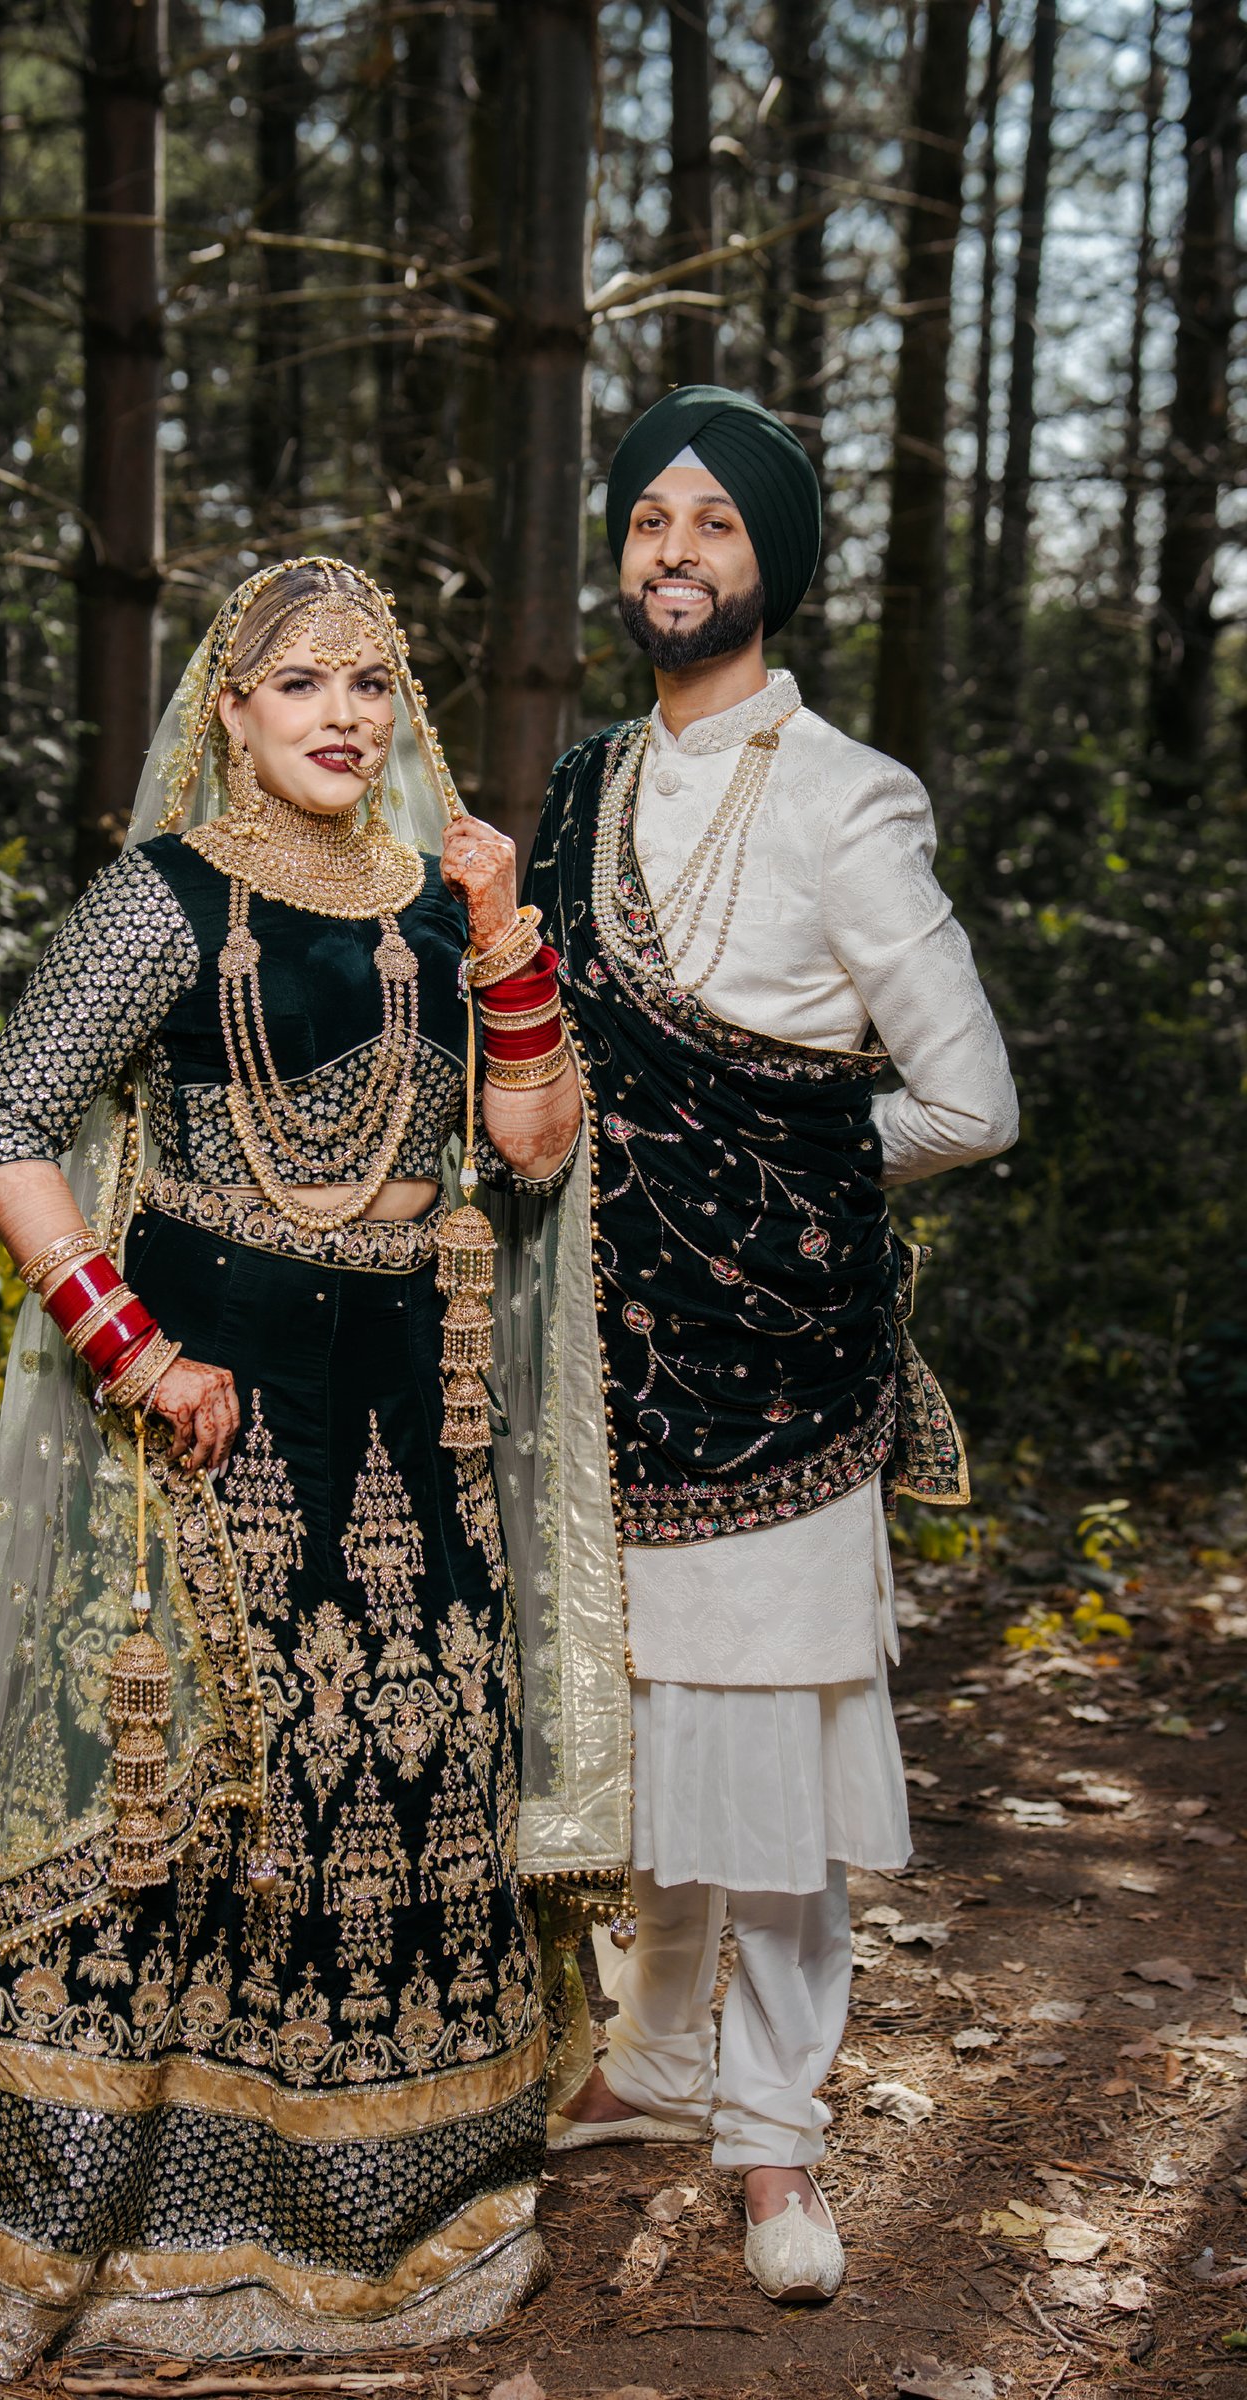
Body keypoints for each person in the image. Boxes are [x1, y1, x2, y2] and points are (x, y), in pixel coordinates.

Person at [0, 560, 582, 2374]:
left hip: (416, 1425)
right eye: (297, 685)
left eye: (368, 682)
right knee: (201, 1799)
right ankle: (134, 2205)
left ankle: (376, 2207)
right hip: (218, 1416)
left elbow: (532, 1144)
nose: (340, 713)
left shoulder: (445, 902)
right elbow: (9, 1121)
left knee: (404, 1772)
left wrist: (508, 938)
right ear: (231, 713)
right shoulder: (161, 901)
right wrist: (132, 1345)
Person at [525, 389, 1018, 2303]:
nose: (673, 549)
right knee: (644, 1727)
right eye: (649, 516)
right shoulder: (574, 793)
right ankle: (654, 2057)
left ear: (773, 562)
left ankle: (777, 2139)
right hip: (600, 1352)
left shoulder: (846, 793)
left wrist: (780, 1180)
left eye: (716, 523)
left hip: (782, 1354)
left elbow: (966, 1101)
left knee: (771, 1745)